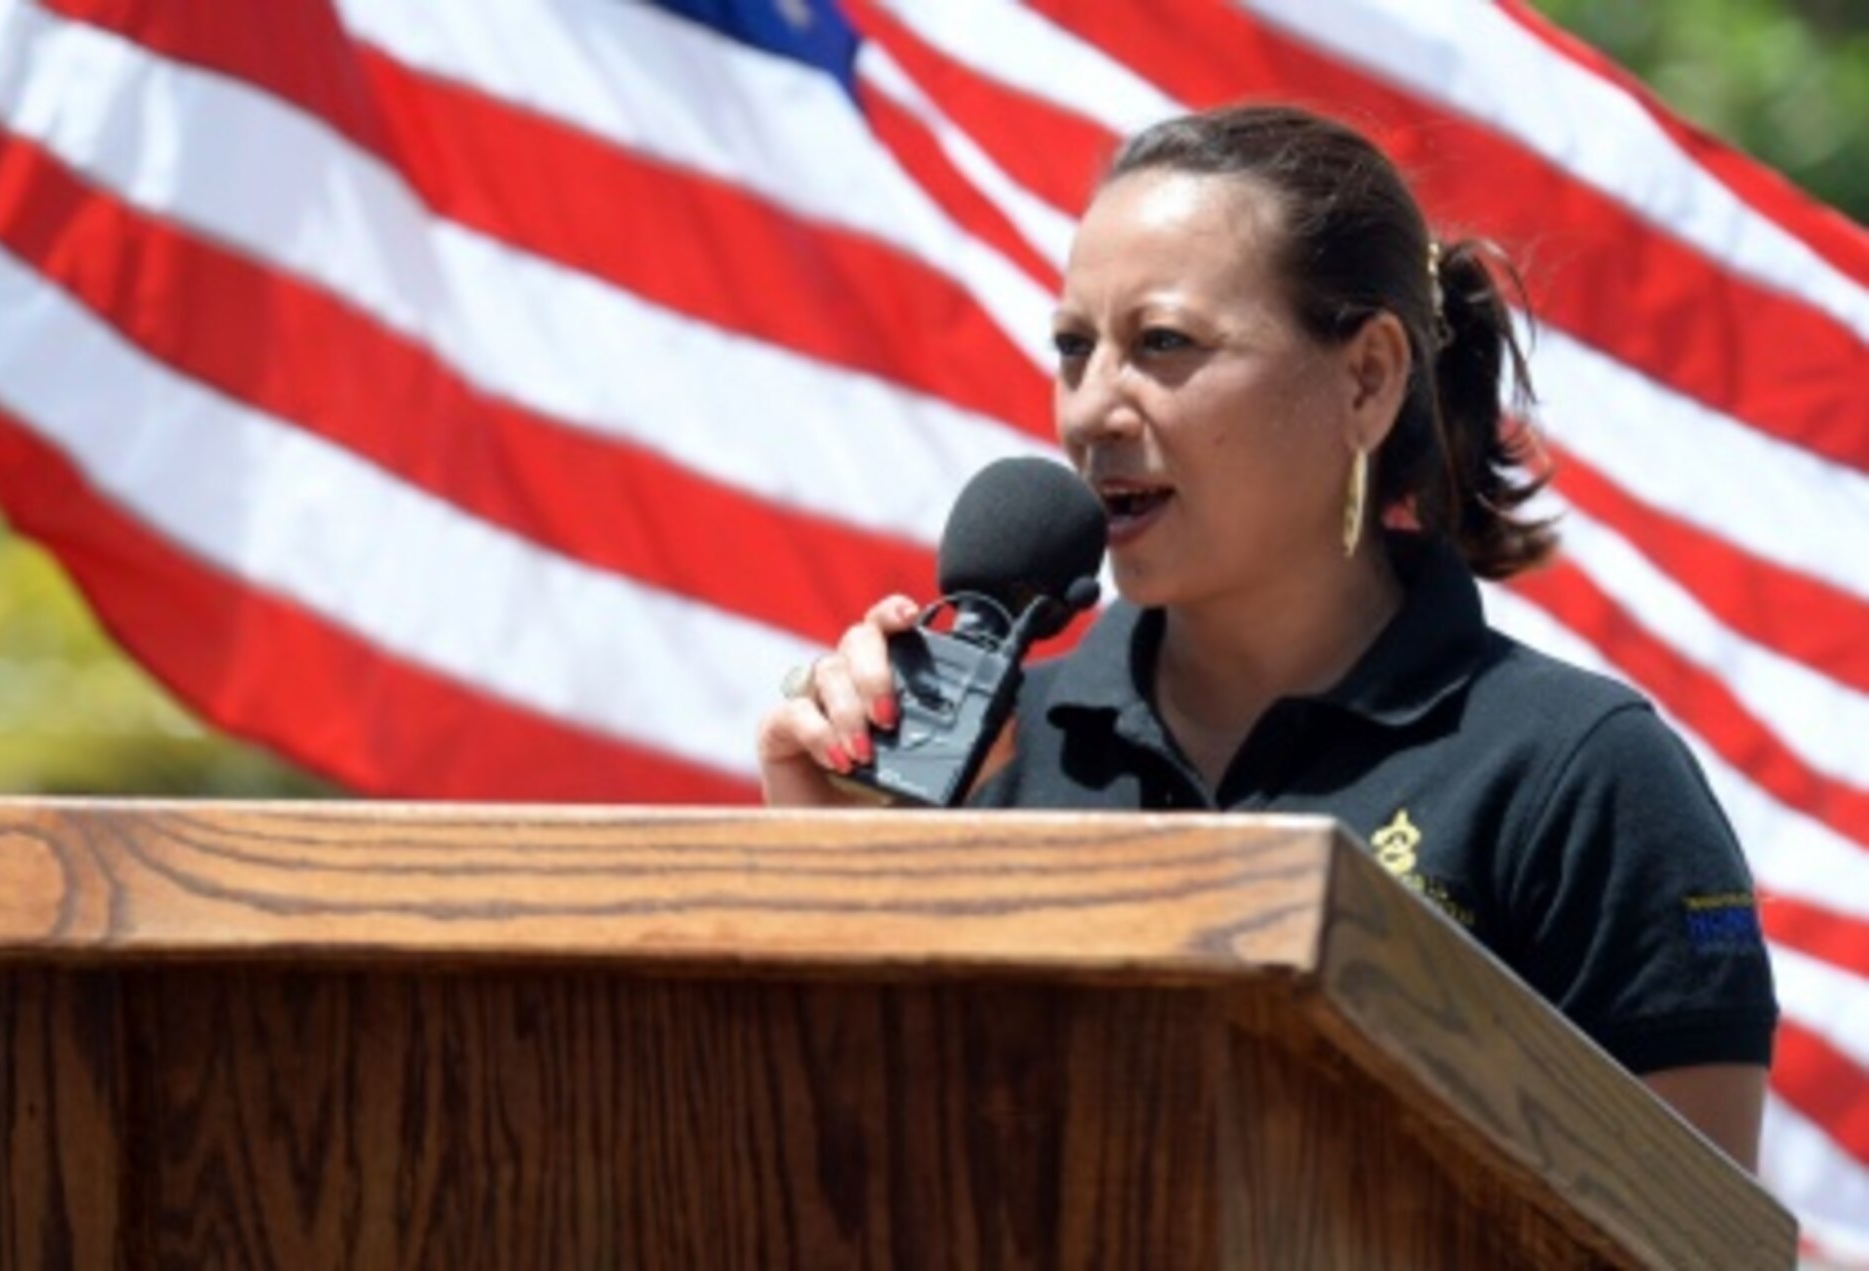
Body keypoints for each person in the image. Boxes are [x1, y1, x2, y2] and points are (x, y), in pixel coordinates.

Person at [755, 104, 1776, 1171]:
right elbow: (834, 1182)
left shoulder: (1578, 775)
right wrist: (834, 876)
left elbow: (1693, 1234)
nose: (1094, 408)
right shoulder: (995, 770)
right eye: (1072, 348)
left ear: (1366, 377)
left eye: (1162, 342)